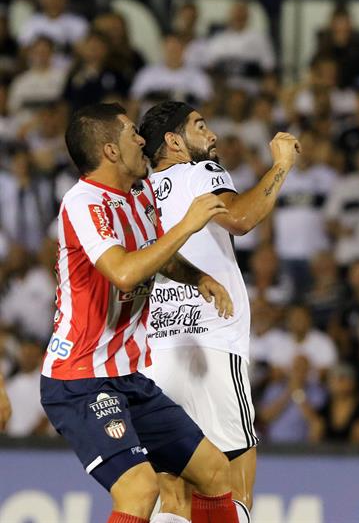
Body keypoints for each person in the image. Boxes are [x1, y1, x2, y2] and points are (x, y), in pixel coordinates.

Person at [40, 103, 241, 523]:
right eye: (132, 132)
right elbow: (125, 272)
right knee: (140, 488)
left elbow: (155, 256)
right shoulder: (84, 203)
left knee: (215, 472)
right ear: (111, 150)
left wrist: (196, 276)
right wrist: (186, 225)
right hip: (80, 379)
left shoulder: (141, 193)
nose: (141, 140)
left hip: (127, 376)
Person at [138, 101, 300, 522]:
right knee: (234, 491)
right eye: (200, 126)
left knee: (173, 499)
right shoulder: (200, 173)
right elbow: (241, 218)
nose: (212, 136)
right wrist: (280, 165)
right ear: (174, 142)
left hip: (155, 354)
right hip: (210, 344)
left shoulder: (136, 193)